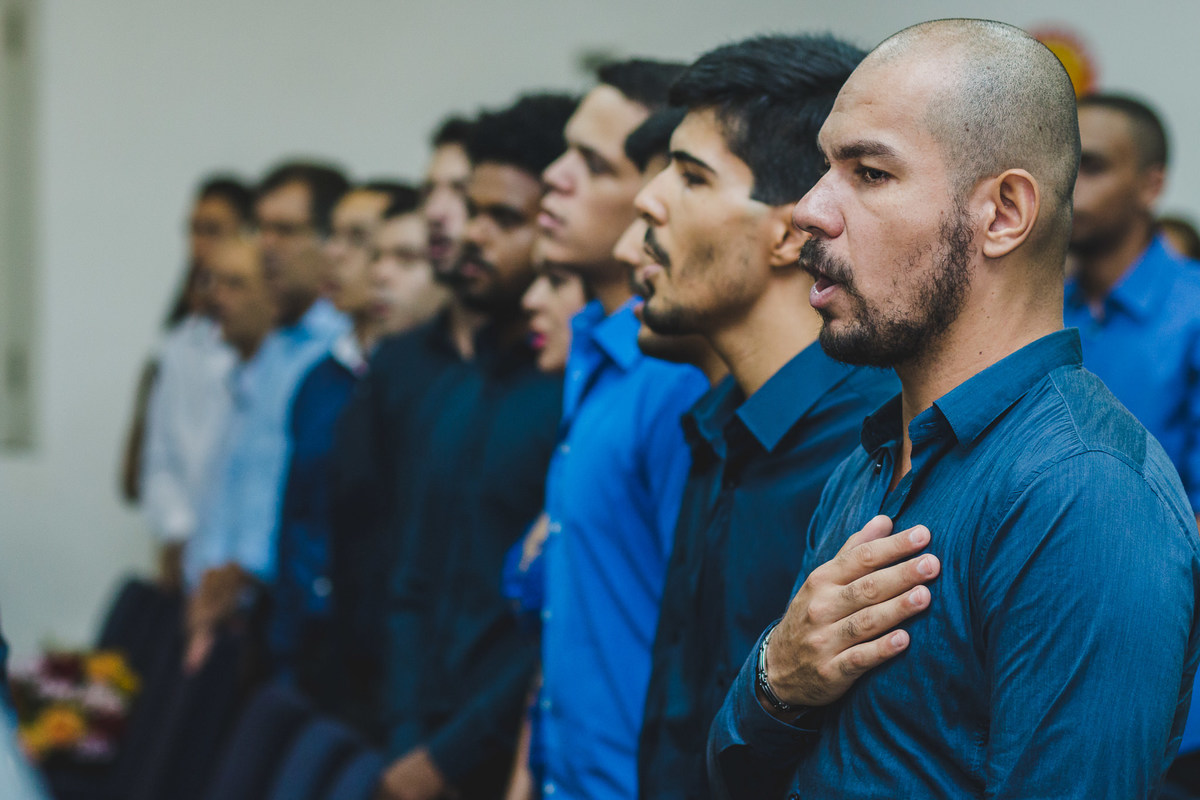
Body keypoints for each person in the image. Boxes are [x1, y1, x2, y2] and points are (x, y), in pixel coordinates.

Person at [709, 19, 1200, 799]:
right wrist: (777, 679)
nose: (807, 209)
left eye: (868, 172)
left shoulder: (1084, 493)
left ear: (1003, 212)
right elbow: (740, 770)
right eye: (823, 169)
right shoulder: (872, 460)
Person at [630, 35, 896, 800]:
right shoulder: (721, 425)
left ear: (789, 231)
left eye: (689, 177)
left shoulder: (868, 444)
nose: (648, 202)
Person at [376, 93, 576, 800]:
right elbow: (410, 581)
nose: (475, 235)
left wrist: (450, 758)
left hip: (506, 756)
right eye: (473, 209)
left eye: (504, 219)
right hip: (413, 745)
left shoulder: (569, 391)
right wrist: (405, 739)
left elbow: (561, 618)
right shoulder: (454, 388)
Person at [534, 59, 710, 800]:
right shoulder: (596, 350)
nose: (553, 176)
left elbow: (692, 635)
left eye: (593, 164)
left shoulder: (674, 376)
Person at [268, 183, 437, 698]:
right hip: (311, 639)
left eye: (357, 240)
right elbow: (295, 515)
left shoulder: (428, 384)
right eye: (334, 236)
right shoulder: (320, 378)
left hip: (387, 651)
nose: (334, 253)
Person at [183, 161, 350, 668]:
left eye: (287, 230)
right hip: (241, 607)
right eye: (261, 228)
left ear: (327, 241)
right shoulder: (275, 344)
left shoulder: (338, 353)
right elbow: (239, 475)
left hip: (294, 612)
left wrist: (246, 572)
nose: (267, 245)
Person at [1065, 94, 1200, 529]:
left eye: (1093, 167)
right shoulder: (1040, 311)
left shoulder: (1192, 309)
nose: (1066, 185)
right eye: (1063, 165)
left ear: (1151, 186)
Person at [136, 176, 252, 590]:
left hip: (244, 565)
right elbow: (160, 456)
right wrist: (178, 530)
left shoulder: (270, 344)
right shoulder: (183, 342)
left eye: (214, 230)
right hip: (189, 553)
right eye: (194, 230)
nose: (200, 244)